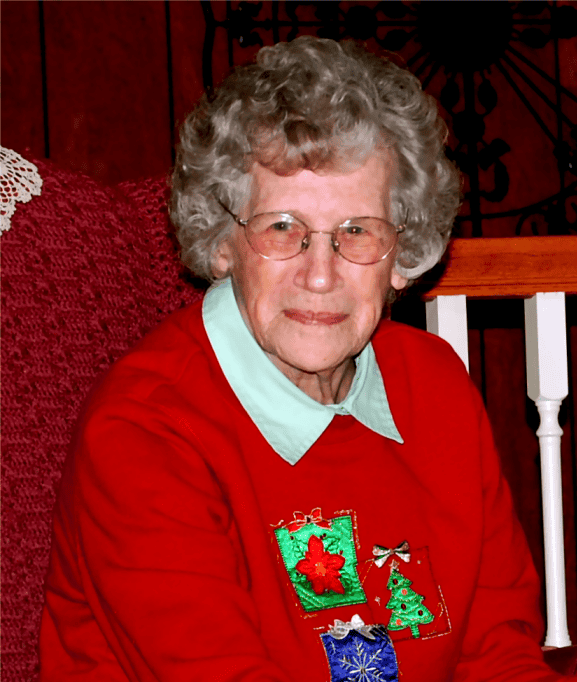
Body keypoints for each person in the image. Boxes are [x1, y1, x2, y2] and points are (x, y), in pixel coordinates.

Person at [39, 36, 570, 681]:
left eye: (357, 231)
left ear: (401, 256)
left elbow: (499, 654)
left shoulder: (436, 386)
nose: (320, 276)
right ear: (223, 241)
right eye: (282, 227)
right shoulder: (143, 432)